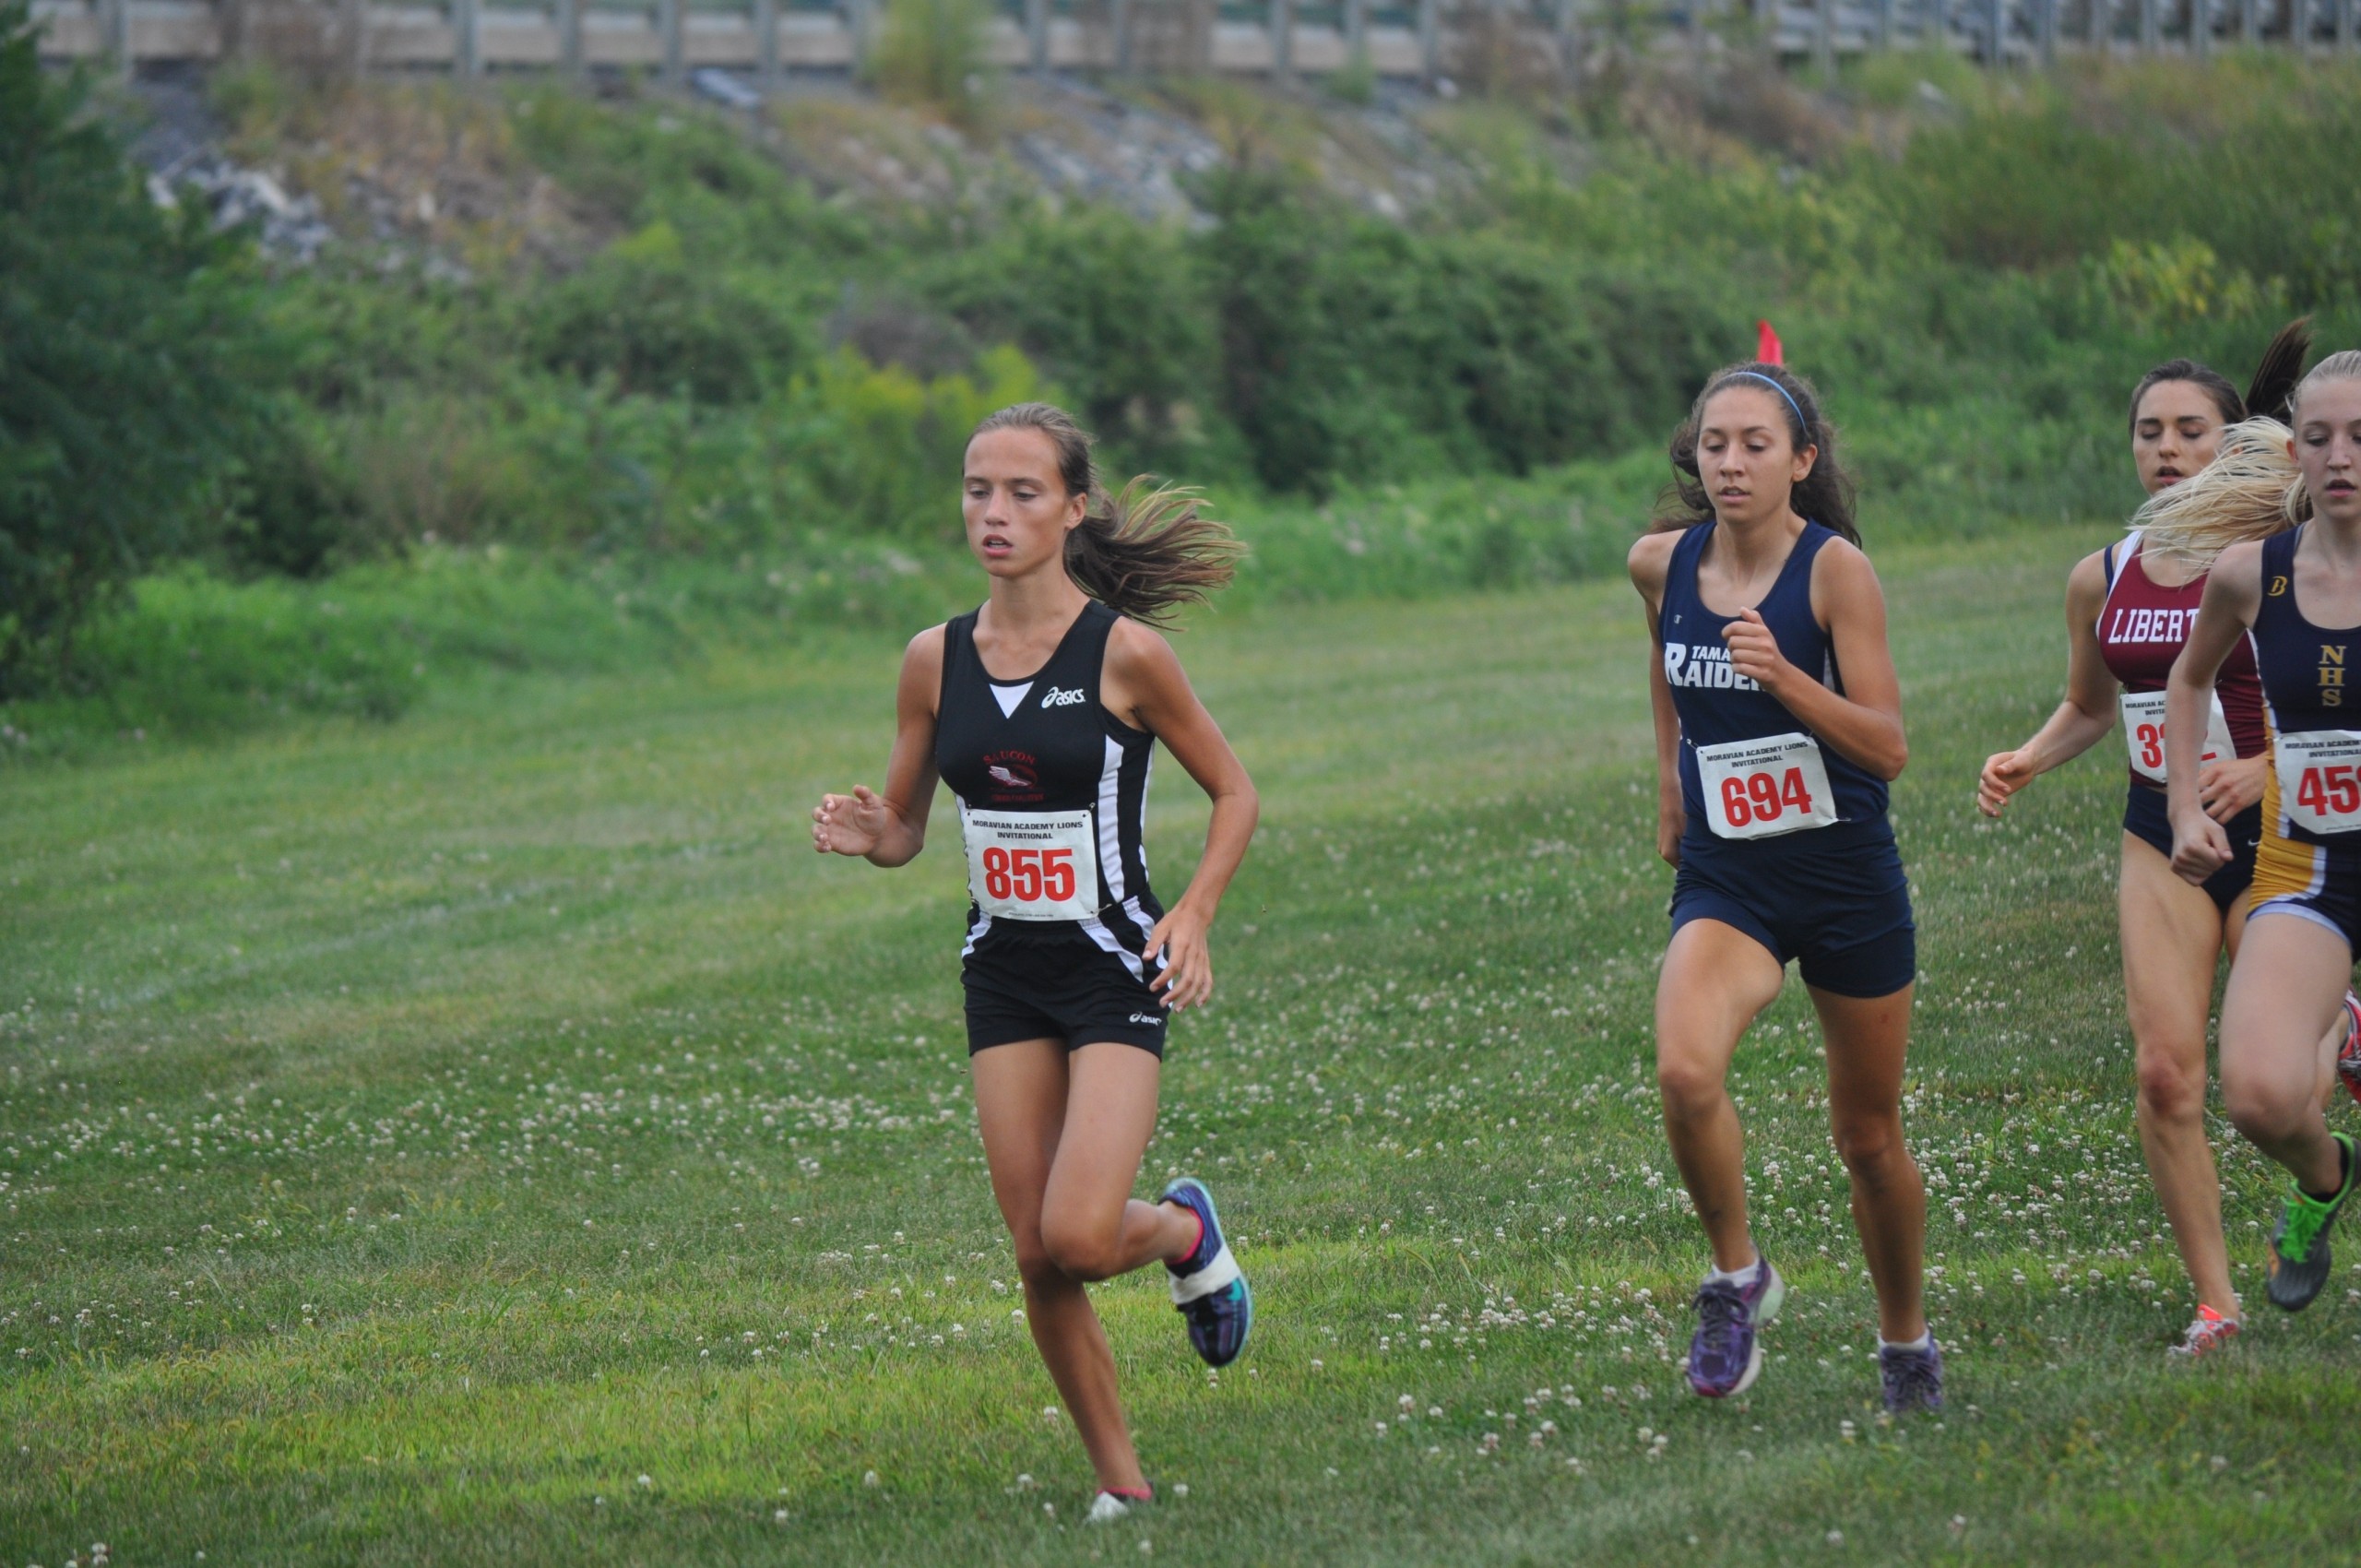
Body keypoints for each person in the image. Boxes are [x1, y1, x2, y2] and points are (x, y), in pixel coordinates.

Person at [811, 403, 1259, 1521]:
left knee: (1082, 1234)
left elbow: (1234, 792)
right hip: (1002, 972)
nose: (994, 513)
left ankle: (1183, 1230)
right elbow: (907, 829)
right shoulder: (932, 658)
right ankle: (1121, 1479)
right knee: (1036, 1251)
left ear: (1072, 508)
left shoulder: (1126, 653)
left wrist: (1195, 912)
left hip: (1112, 967)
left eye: (1022, 492)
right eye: (978, 490)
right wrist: (874, 835)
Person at [1975, 325, 2335, 1358]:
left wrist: (2265, 767)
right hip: (2159, 832)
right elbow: (2093, 704)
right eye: (2148, 431)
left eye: (2189, 429)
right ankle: (2216, 1302)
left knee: (2287, 1090)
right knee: (2167, 1075)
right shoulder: (2103, 575)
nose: (2165, 448)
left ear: (2239, 441)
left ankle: (2330, 1088)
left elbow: (2336, 699)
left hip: (2284, 832)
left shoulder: (2290, 557)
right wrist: (2030, 756)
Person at [1628, 361, 1940, 1412]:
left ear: (1801, 460)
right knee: (1684, 1071)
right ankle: (1736, 1277)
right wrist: (1670, 779)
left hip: (1845, 878)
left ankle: (1905, 1341)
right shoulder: (1659, 564)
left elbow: (1888, 747)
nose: (1730, 463)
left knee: (1868, 1138)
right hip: (1731, 879)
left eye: (1755, 444)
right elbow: (1666, 665)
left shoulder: (1835, 573)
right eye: (1714, 443)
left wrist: (1787, 678)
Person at [2168, 350, 2361, 1315]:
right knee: (2256, 1093)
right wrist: (2181, 805)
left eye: (2360, 437)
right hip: (2313, 865)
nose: (2341, 457)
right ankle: (2326, 1175)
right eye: (2319, 438)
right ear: (2294, 453)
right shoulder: (2253, 574)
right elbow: (2187, 676)